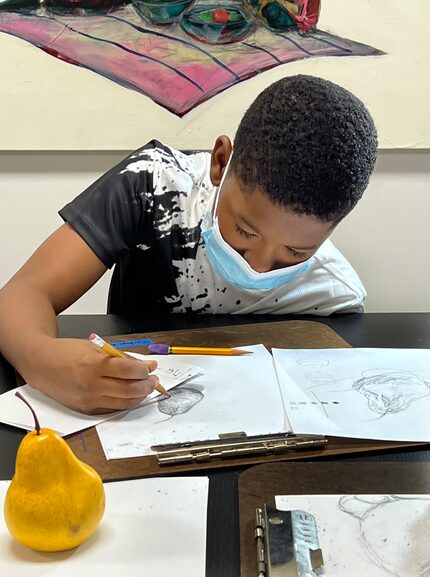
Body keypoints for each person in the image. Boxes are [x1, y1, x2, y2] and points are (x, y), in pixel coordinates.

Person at [0, 74, 378, 414]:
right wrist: (42, 359)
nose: (258, 266)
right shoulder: (154, 186)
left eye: (296, 253)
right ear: (220, 162)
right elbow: (24, 293)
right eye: (246, 232)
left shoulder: (332, 298)